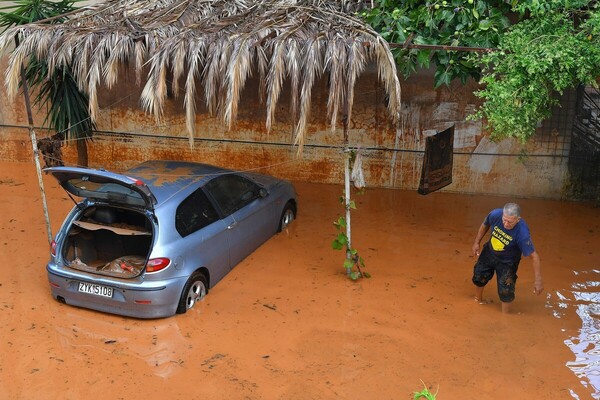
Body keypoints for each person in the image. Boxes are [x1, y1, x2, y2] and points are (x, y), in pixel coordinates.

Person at [471, 203, 543, 313]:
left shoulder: (522, 233)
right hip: (490, 252)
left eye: (510, 222)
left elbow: (534, 257)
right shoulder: (495, 214)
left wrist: (538, 280)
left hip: (508, 262)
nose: (505, 223)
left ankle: (506, 316)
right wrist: (477, 242)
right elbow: (485, 224)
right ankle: (478, 299)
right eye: (504, 219)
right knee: (479, 276)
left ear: (518, 219)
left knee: (506, 290)